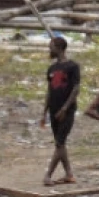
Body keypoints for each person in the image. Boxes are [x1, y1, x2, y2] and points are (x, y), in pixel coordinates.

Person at [41, 36, 80, 186]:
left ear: (59, 48)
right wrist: (44, 112)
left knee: (60, 141)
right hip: (53, 110)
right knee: (60, 144)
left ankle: (48, 175)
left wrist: (65, 108)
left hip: (66, 110)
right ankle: (69, 174)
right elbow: (49, 91)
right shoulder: (51, 69)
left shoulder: (72, 67)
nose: (49, 50)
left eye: (51, 47)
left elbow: (76, 89)